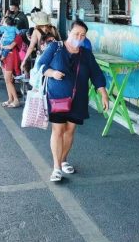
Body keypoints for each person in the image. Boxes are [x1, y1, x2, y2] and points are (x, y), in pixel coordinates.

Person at [38, 20, 109, 182]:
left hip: (78, 100)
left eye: (83, 35)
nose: (79, 37)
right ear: (69, 32)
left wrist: (103, 93)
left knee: (70, 131)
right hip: (56, 98)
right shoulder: (55, 48)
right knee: (58, 130)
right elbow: (40, 65)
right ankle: (56, 168)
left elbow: (96, 74)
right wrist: (52, 73)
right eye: (76, 33)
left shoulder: (86, 54)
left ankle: (63, 161)